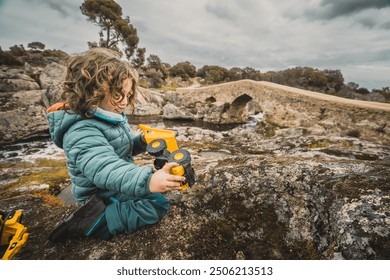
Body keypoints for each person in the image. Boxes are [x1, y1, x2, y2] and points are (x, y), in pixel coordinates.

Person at [47, 47, 185, 242]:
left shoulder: (109, 116)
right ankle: (94, 222)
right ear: (92, 90)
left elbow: (122, 147)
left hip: (114, 182)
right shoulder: (80, 130)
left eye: (128, 95)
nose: (124, 102)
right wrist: (147, 180)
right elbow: (105, 167)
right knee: (157, 205)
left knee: (155, 193)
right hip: (98, 195)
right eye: (118, 94)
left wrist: (142, 141)